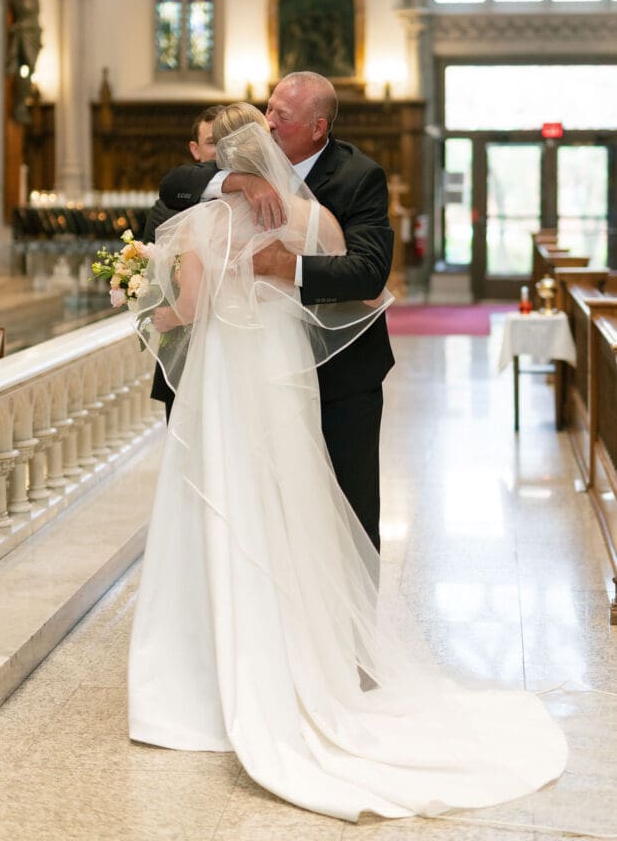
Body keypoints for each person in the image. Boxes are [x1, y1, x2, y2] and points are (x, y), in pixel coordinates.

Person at [128, 104, 566, 823]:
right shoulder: (305, 213)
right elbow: (352, 291)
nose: (274, 115)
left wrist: (147, 309)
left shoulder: (337, 184)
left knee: (232, 503)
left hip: (234, 384)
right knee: (294, 505)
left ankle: (219, 670)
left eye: (281, 110)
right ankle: (315, 660)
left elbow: (195, 301)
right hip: (286, 377)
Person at [159, 72, 393, 551]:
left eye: (281, 117)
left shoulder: (357, 176)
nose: (267, 123)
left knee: (345, 512)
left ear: (317, 127)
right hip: (251, 368)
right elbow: (175, 185)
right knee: (253, 505)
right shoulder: (237, 172)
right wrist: (242, 181)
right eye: (267, 109)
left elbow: (369, 272)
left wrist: (287, 265)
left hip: (341, 379)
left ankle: (351, 624)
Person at [142, 104, 225, 420]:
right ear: (195, 149)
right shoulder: (170, 204)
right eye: (211, 143)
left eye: (226, 142)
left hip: (235, 351)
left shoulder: (254, 200)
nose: (219, 152)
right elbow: (147, 267)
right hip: (182, 349)